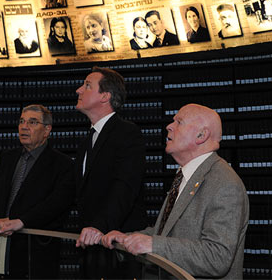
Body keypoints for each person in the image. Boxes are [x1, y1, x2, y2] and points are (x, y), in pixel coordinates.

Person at [101, 104, 249, 280]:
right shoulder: (185, 177)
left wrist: (154, 245)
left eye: (179, 122)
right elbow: (166, 232)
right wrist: (127, 238)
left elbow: (217, 257)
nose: (169, 126)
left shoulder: (224, 183)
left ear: (201, 135)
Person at [0, 105, 73, 279]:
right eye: (22, 121)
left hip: (35, 252)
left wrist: (21, 221)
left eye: (33, 122)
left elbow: (56, 205)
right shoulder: (7, 157)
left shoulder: (62, 164)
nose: (24, 127)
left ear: (47, 130)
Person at [74, 67, 147, 279]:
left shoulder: (127, 133)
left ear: (105, 96)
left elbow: (125, 187)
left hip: (120, 251)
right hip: (92, 248)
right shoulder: (87, 140)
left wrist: (98, 226)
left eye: (87, 85)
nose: (79, 90)